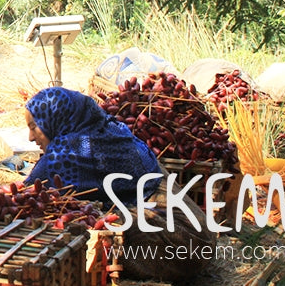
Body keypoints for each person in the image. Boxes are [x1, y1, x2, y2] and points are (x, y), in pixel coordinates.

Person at [23, 87, 215, 283]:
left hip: (178, 249)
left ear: (54, 120)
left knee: (81, 222)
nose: (30, 137)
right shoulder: (113, 131)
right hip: (201, 234)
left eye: (34, 127)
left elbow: (27, 196)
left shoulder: (63, 156)